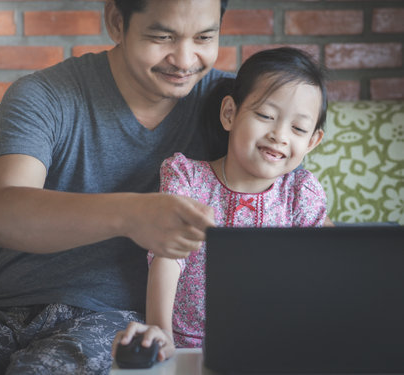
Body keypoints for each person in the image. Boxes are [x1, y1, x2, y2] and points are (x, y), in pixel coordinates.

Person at [0, 1, 230, 374]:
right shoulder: (44, 94)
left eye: (204, 37)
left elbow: (286, 197)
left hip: (117, 322)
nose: (184, 59)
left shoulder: (234, 109)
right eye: (162, 37)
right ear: (117, 22)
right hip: (4, 313)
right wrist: (132, 215)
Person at [112, 47, 328, 362]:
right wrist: (161, 333)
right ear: (229, 113)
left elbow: (319, 271)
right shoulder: (186, 176)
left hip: (272, 348)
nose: (280, 135)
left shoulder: (300, 193)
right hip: (187, 346)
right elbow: (168, 257)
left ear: (311, 142)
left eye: (297, 129)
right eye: (266, 116)